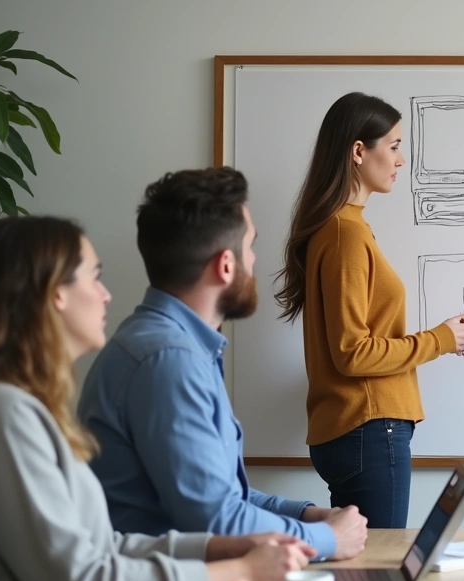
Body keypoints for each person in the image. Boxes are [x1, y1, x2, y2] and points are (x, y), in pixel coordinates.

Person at [0, 217, 313, 581]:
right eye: (95, 277)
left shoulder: (21, 409)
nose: (107, 294)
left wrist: (214, 549)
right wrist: (240, 576)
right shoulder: (2, 413)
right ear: (54, 294)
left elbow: (103, 548)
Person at [77, 167, 368, 560]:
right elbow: (217, 519)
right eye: (251, 246)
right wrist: (327, 540)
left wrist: (307, 515)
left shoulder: (173, 346)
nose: (255, 259)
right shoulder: (169, 360)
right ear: (226, 265)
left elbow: (225, 495)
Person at [273, 92, 464, 528]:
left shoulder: (343, 227)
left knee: (363, 558)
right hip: (370, 428)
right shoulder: (345, 233)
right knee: (381, 561)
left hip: (358, 431)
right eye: (393, 146)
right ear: (358, 151)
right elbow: (352, 353)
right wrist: (441, 339)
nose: (401, 159)